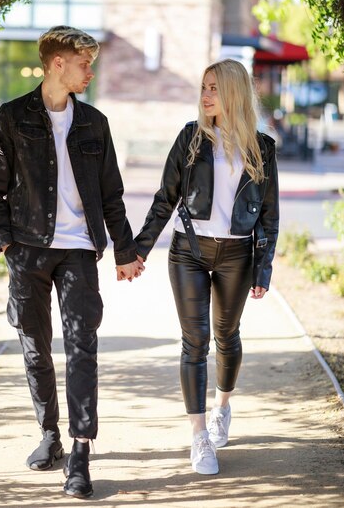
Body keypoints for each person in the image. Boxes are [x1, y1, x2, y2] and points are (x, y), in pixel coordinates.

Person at [0, 26, 144, 498]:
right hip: (27, 251)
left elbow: (111, 194)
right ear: (58, 63)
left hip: (78, 251)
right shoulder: (13, 117)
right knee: (35, 348)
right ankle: (49, 433)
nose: (90, 71)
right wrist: (7, 246)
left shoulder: (95, 122)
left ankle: (80, 450)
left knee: (81, 346)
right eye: (84, 63)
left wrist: (126, 250)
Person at [135, 59, 279, 475]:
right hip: (190, 251)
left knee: (226, 335)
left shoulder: (262, 147)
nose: (206, 94)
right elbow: (166, 198)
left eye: (214, 87)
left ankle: (222, 408)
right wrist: (138, 250)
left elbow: (269, 216)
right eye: (203, 87)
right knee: (194, 340)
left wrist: (263, 269)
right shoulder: (190, 139)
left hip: (237, 255)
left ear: (233, 91)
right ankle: (199, 437)